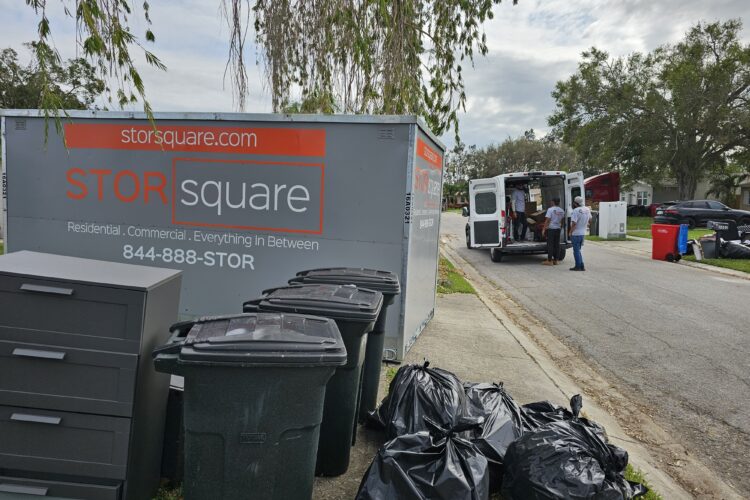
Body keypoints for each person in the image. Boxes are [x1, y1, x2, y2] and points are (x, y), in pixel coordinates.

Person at [569, 195, 591, 271]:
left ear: (575, 203)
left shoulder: (575, 211)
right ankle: (581, 265)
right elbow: (590, 220)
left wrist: (570, 232)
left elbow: (574, 223)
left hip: (576, 234)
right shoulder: (587, 209)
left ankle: (578, 266)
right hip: (582, 233)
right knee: (579, 250)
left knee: (576, 251)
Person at [541, 197, 564, 265]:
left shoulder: (550, 209)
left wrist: (543, 229)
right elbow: (562, 221)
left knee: (550, 244)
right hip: (558, 228)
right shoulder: (561, 210)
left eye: (551, 201)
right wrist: (560, 227)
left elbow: (547, 220)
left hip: (551, 229)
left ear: (553, 202)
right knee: (557, 244)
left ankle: (549, 260)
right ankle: (556, 260)